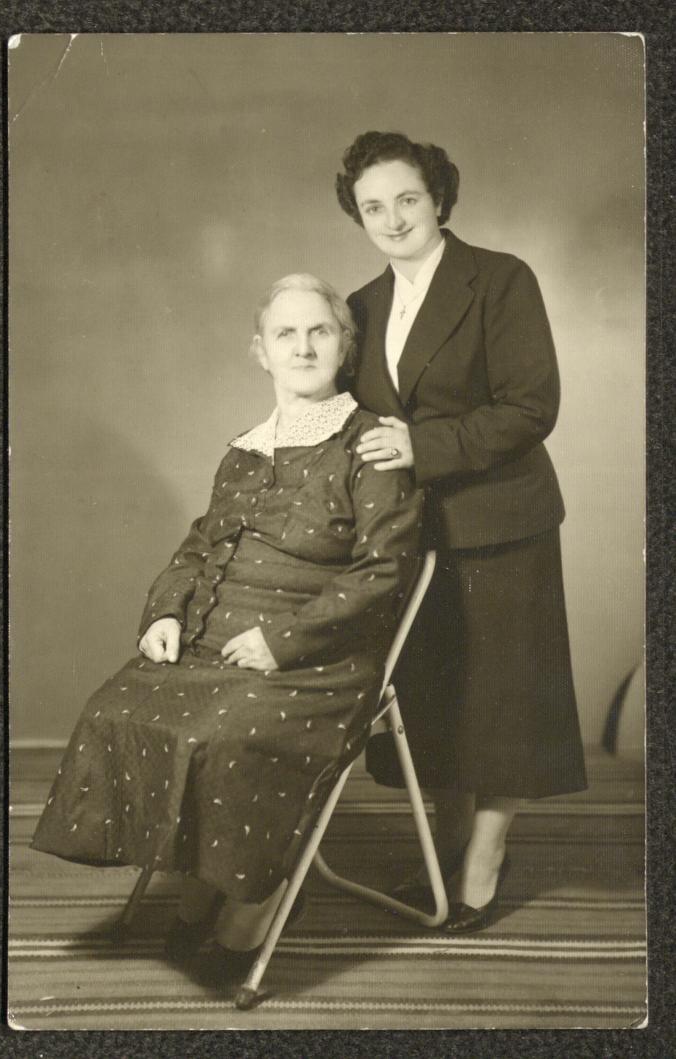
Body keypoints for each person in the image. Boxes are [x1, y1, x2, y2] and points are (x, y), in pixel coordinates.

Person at [31, 273, 423, 982]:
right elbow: (200, 543)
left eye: (320, 332)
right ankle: (204, 878)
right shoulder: (245, 447)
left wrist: (283, 639)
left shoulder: (369, 445)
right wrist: (166, 613)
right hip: (213, 639)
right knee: (113, 709)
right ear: (261, 351)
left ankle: (256, 896)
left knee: (229, 732)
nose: (303, 347)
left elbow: (383, 571)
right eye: (286, 334)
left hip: (317, 656)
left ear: (344, 345)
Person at [335, 130, 587, 933]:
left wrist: (423, 445)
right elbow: (343, 416)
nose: (392, 218)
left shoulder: (501, 280)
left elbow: (529, 406)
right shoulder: (361, 307)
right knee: (436, 703)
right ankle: (444, 847)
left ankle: (483, 862)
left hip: (502, 524)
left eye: (407, 199)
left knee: (506, 706)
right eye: (373, 206)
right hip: (412, 534)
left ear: (439, 198)